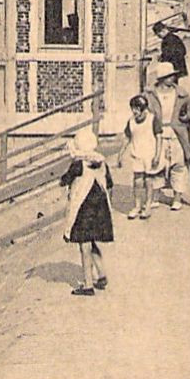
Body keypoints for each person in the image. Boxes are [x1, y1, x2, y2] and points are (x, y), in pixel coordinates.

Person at [60, 128, 113, 295]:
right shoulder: (101, 162)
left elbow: (65, 180)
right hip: (100, 207)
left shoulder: (78, 164)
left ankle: (88, 284)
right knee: (92, 241)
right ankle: (101, 274)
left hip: (84, 208)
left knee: (84, 245)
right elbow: (109, 184)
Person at [146, 63, 190, 206]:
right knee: (157, 165)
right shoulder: (150, 94)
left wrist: (187, 118)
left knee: (178, 165)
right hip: (156, 134)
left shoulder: (181, 93)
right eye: (169, 76)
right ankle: (156, 196)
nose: (173, 78)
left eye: (173, 75)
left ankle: (177, 198)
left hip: (177, 133)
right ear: (161, 78)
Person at [118, 94, 162, 219]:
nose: (134, 111)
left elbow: (159, 137)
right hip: (137, 155)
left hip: (150, 155)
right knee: (137, 182)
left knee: (148, 181)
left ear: (144, 109)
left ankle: (147, 206)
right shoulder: (131, 122)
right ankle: (137, 206)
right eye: (133, 108)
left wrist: (157, 155)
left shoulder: (152, 119)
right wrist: (120, 155)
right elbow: (127, 138)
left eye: (137, 109)